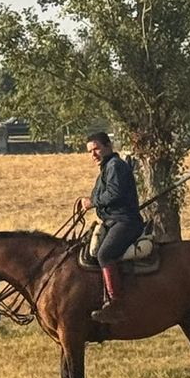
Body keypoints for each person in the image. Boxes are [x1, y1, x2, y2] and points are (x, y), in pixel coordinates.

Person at [76, 130, 143, 324]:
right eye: (89, 151)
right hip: (113, 221)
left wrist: (92, 202)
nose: (93, 154)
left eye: (96, 149)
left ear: (108, 146)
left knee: (104, 254)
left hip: (125, 222)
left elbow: (114, 193)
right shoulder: (107, 168)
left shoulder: (115, 166)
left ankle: (116, 304)